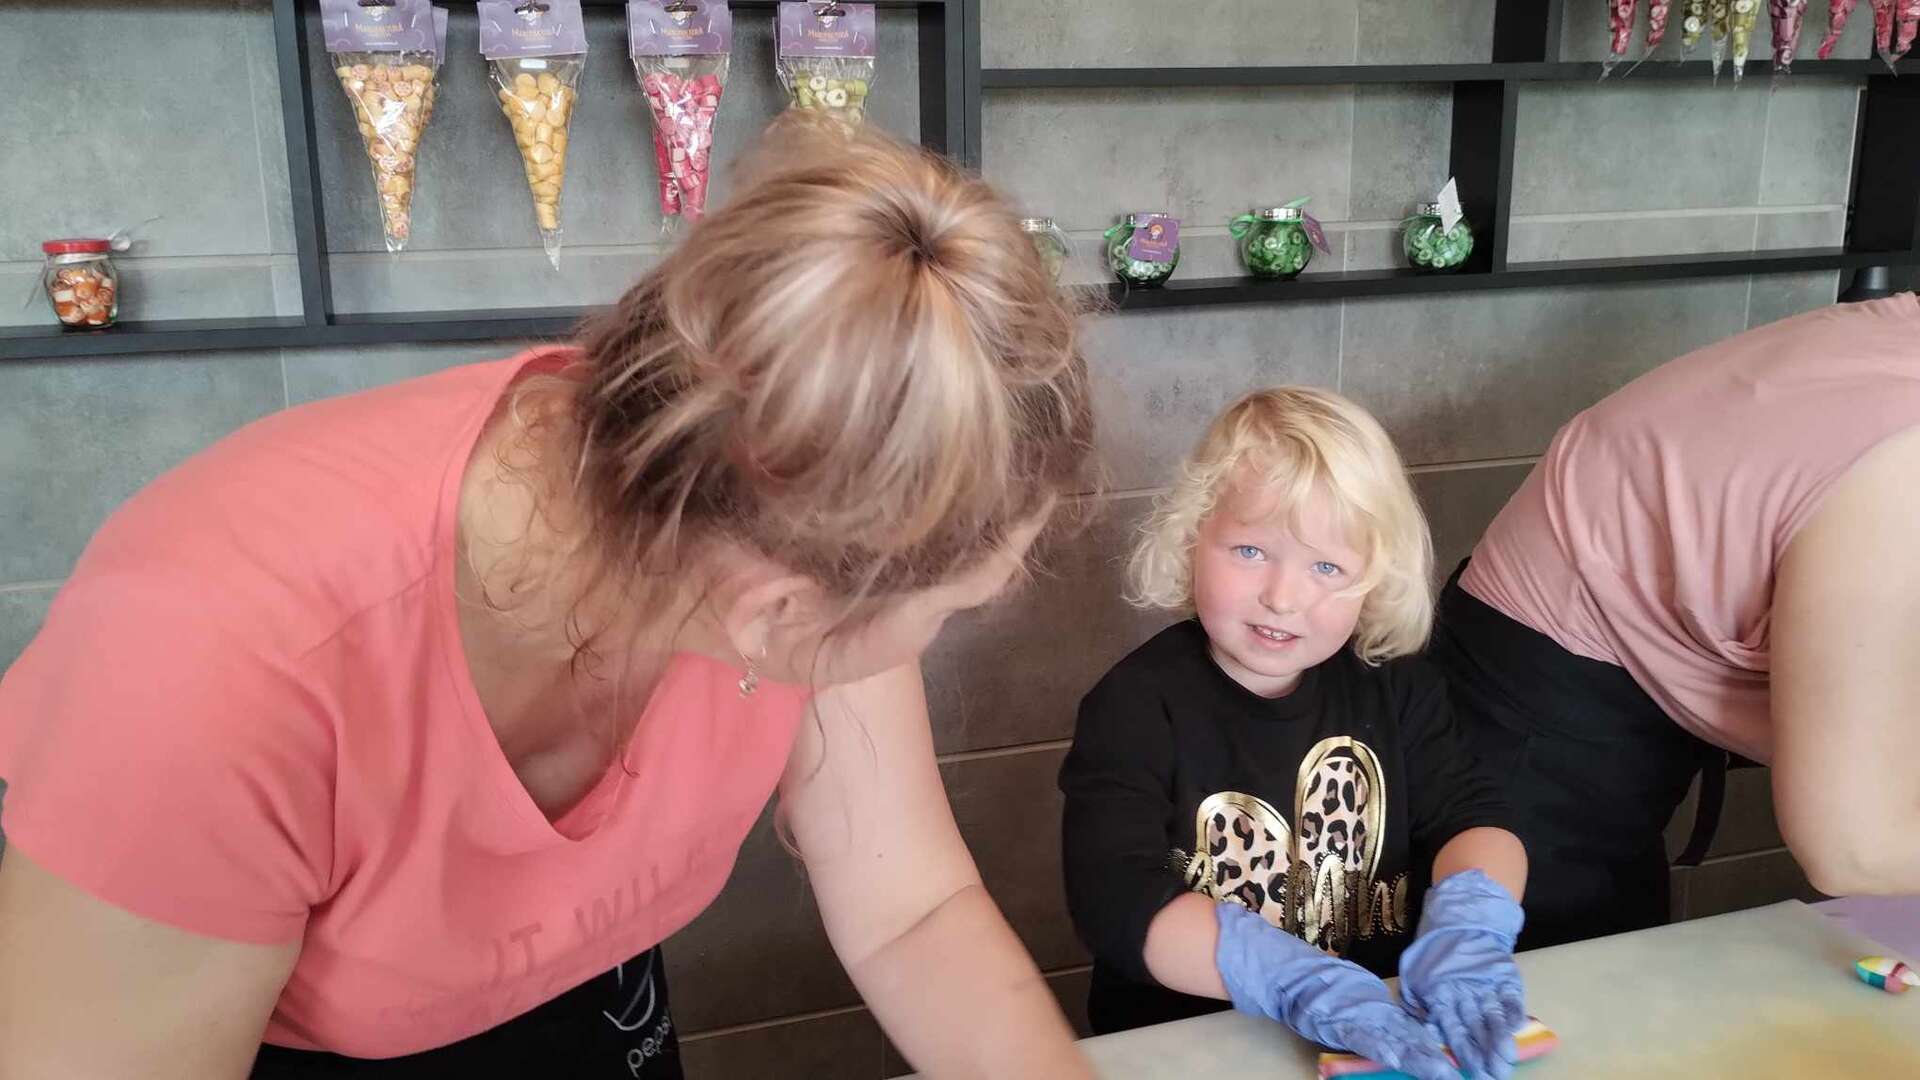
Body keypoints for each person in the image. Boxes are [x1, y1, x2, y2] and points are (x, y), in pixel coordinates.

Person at [0, 120, 1098, 1079]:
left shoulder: (801, 503)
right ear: (779, 614)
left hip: (592, 1013)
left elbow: (912, 913)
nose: (962, 620)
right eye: (957, 605)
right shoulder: (212, 668)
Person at [1059, 388, 1531, 1080]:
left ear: (1374, 578)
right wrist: (1285, 976)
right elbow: (1115, 898)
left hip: (1377, 1041)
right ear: (1192, 540)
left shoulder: (1396, 685)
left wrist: (1472, 924)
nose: (1283, 597)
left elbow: (1474, 814)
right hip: (1185, 1050)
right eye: (1250, 550)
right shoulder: (1134, 705)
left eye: (1327, 567)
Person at [1429, 294, 1920, 952]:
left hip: (1609, 666)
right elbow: (1852, 848)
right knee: (1549, 976)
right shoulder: (1901, 459)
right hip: (1540, 698)